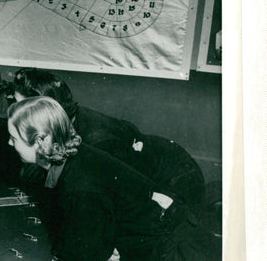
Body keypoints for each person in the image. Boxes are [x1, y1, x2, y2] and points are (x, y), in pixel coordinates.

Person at [7, 96, 221, 261]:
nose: (9, 143)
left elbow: (86, 253)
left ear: (41, 140)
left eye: (14, 138)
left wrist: (80, 249)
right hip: (178, 238)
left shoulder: (80, 185)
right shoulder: (77, 155)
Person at [12, 67, 205, 212]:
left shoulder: (97, 142)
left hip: (174, 182)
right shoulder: (62, 124)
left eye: (25, 108)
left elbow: (125, 197)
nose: (17, 114)